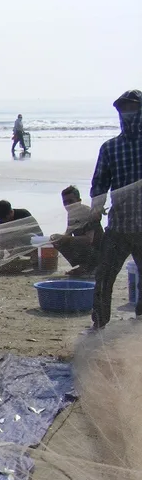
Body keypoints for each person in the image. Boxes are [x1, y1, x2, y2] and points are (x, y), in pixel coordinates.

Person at [90, 89, 142, 330]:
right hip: (119, 226)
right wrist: (95, 211)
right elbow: (99, 184)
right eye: (124, 109)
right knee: (104, 277)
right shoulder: (110, 148)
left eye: (133, 108)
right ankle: (99, 323)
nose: (128, 113)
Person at [50, 186, 103, 276]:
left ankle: (91, 266)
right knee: (58, 241)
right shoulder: (71, 214)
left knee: (68, 240)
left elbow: (89, 240)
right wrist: (56, 237)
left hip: (97, 251)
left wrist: (66, 238)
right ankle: (84, 266)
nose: (68, 205)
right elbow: (68, 234)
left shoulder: (88, 213)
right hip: (86, 248)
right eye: (65, 202)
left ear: (79, 201)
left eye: (71, 201)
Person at [0, 200, 43, 269]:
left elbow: (34, 233)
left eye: (5, 218)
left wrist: (12, 236)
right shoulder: (2, 222)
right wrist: (0, 254)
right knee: (2, 237)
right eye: (1, 219)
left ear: (11, 212)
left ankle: (32, 259)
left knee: (25, 237)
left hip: (33, 245)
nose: (4, 221)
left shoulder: (23, 214)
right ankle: (14, 259)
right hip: (16, 247)